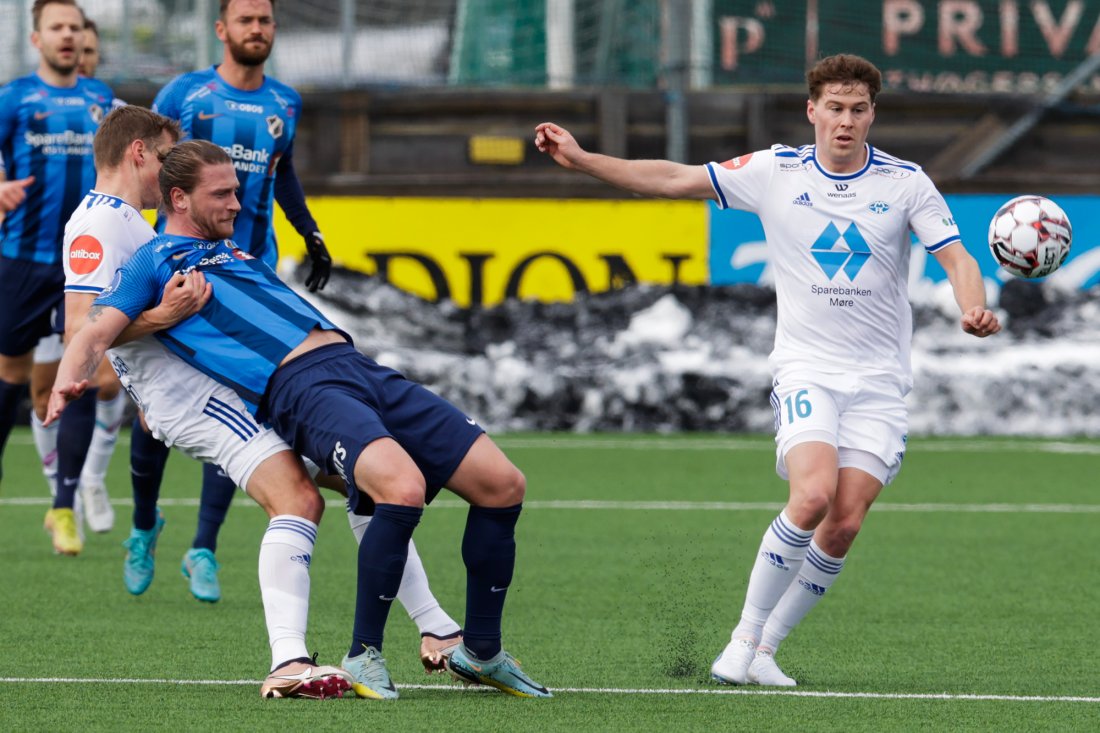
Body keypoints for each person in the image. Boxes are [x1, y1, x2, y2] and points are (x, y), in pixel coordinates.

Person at [534, 53, 1001, 687]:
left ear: (872, 114)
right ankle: (742, 637)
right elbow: (672, 178)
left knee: (845, 522)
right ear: (812, 110)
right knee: (811, 496)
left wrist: (973, 306)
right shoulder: (774, 170)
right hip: (807, 368)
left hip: (880, 381)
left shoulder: (906, 182)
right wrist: (585, 159)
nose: (845, 121)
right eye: (834, 108)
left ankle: (766, 651)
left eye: (858, 110)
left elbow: (956, 257)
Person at [49, 139, 551, 700]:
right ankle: (363, 656)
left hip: (358, 367)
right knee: (398, 489)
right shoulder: (154, 261)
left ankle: (479, 650)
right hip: (299, 389)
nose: (238, 204)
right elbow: (91, 328)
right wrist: (70, 381)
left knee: (503, 486)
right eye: (222, 194)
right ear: (178, 199)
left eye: (237, 191)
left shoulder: (235, 251)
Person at [149, 0, 332, 602]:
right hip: (185, 271)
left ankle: (203, 544)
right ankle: (143, 524)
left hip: (252, 275)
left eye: (266, 19)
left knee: (240, 399)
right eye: (246, 19)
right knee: (157, 400)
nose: (258, 29)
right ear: (222, 29)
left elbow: (284, 173)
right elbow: (150, 166)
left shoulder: (286, 102)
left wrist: (310, 232)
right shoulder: (185, 94)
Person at [0, 0, 120, 554]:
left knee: (87, 377)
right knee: (12, 375)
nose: (68, 36)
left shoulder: (102, 101)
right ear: (37, 38)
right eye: (57, 27)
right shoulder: (15, 98)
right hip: (22, 260)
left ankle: (63, 507)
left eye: (75, 27)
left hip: (86, 262)